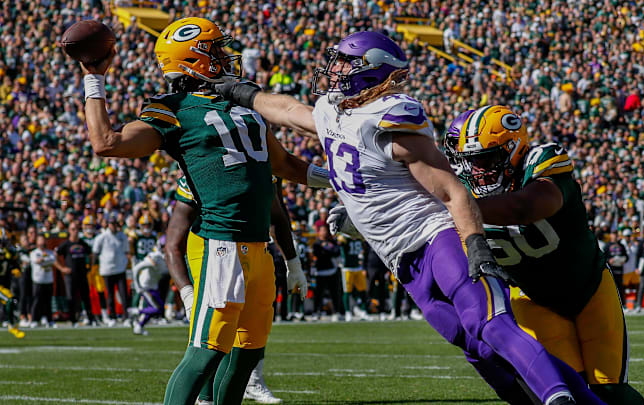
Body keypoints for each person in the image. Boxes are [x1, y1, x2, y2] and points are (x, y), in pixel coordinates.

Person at [219, 31, 603, 405]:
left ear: (371, 69)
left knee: (491, 324)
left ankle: (560, 400)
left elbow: (451, 190)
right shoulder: (333, 112)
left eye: (345, 62)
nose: (334, 69)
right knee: (476, 348)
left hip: (437, 239)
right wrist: (238, 90)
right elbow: (287, 110)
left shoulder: (389, 115)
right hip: (401, 260)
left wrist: (475, 244)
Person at [80, 17, 326, 405]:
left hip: (260, 249)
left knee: (247, 355)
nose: (226, 56)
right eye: (215, 50)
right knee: (206, 352)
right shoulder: (173, 109)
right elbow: (107, 143)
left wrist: (341, 179)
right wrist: (94, 79)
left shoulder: (244, 104)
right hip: (223, 246)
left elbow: (286, 166)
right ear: (195, 60)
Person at [439, 105, 644, 404]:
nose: (478, 170)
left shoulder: (542, 163)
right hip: (532, 298)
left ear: (514, 149)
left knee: (611, 391)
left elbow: (528, 207)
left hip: (588, 287)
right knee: (568, 390)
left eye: (487, 158)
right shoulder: (461, 186)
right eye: (471, 161)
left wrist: (459, 207)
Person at [168, 175, 297, 404]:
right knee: (210, 346)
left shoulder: (262, 160)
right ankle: (205, 398)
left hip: (259, 252)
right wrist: (186, 291)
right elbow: (173, 243)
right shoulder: (204, 165)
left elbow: (277, 215)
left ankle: (251, 384)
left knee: (249, 348)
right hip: (216, 253)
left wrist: (293, 263)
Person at [55, 222, 96, 326]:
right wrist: (62, 268)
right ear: (69, 231)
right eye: (73, 229)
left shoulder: (82, 243)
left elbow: (91, 254)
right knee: (71, 297)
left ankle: (90, 318)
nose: (75, 231)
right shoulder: (66, 244)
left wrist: (90, 266)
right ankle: (72, 319)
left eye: (77, 229)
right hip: (70, 275)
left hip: (82, 274)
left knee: (85, 297)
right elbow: (54, 256)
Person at [92, 216, 130, 326]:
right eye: (111, 223)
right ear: (108, 224)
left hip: (120, 268)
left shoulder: (122, 236)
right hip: (107, 269)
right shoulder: (102, 237)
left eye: (114, 223)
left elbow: (126, 250)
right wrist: (93, 266)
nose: (113, 226)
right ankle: (112, 316)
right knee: (110, 295)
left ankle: (125, 316)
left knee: (123, 294)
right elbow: (95, 252)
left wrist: (126, 263)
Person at [131, 244, 168, 335]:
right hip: (146, 286)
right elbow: (136, 268)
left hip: (153, 286)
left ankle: (139, 327)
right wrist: (137, 286)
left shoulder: (164, 257)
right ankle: (135, 312)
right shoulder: (156, 256)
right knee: (156, 308)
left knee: (159, 308)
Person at [311, 224, 344, 321]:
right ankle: (316, 312)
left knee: (335, 293)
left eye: (325, 230)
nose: (324, 232)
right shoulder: (316, 243)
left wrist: (326, 249)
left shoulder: (332, 242)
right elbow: (318, 253)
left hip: (332, 270)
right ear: (319, 232)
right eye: (322, 230)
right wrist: (327, 250)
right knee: (318, 295)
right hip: (320, 272)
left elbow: (336, 252)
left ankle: (336, 312)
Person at [337, 234, 369, 320]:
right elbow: (339, 243)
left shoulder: (359, 237)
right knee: (347, 291)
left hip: (358, 267)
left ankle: (363, 311)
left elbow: (364, 247)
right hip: (347, 268)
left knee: (362, 290)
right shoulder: (344, 237)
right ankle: (348, 312)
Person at [0, 228, 25, 338]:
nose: (4, 244)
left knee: (11, 301)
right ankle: (12, 326)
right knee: (9, 300)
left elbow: (15, 264)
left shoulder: (9, 251)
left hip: (4, 285)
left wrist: (17, 269)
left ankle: (11, 324)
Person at [29, 235, 56, 328]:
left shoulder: (50, 252)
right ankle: (34, 320)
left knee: (48, 301)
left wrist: (43, 260)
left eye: (43, 240)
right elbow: (36, 261)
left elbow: (52, 260)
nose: (41, 242)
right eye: (39, 240)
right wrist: (44, 260)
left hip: (48, 280)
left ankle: (49, 320)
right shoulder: (34, 253)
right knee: (37, 301)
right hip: (38, 280)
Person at [606, 231, 629, 307]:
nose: (615, 236)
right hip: (611, 269)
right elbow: (603, 257)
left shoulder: (621, 246)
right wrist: (609, 260)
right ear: (611, 235)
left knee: (620, 287)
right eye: (613, 234)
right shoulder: (607, 245)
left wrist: (624, 260)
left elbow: (626, 256)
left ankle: (622, 303)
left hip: (619, 269)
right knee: (612, 287)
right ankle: (612, 304)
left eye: (616, 234)